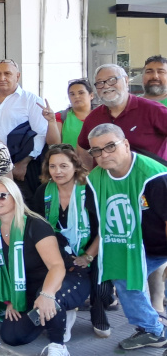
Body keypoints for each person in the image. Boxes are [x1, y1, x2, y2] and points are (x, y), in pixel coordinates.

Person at [85, 123, 167, 350]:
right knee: (125, 281)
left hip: (159, 245)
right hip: (127, 243)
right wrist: (89, 256)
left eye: (110, 146)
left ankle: (153, 329)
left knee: (137, 283)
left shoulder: (155, 175)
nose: (104, 154)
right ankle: (152, 328)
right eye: (96, 150)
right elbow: (103, 224)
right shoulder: (95, 179)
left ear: (127, 144)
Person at [0, 177, 89, 356]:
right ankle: (54, 315)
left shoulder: (35, 225)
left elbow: (57, 267)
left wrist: (47, 295)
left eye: (2, 196)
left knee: (52, 297)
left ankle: (58, 345)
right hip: (28, 289)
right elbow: (1, 273)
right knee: (12, 335)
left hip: (64, 279)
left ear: (15, 197)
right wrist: (11, 300)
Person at [31, 144, 112, 339]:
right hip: (58, 252)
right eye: (52, 166)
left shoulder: (90, 189)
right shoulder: (43, 191)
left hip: (94, 248)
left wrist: (88, 256)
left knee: (101, 288)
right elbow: (39, 228)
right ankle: (64, 308)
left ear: (75, 166)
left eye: (63, 166)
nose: (57, 171)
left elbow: (104, 229)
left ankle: (98, 311)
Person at [0, 59, 47, 201]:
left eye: (7, 73)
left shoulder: (31, 100)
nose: (2, 78)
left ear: (17, 76)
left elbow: (40, 134)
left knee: (21, 207)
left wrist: (24, 163)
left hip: (20, 167)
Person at [77, 64, 167, 165]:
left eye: (112, 80)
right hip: (108, 179)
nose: (106, 86)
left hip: (148, 177)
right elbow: (83, 147)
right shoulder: (93, 118)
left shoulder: (153, 110)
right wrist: (90, 175)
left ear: (126, 80)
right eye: (100, 83)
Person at [42, 79, 94, 151]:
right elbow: (53, 144)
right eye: (72, 94)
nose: (76, 96)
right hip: (69, 160)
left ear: (91, 95)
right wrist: (51, 121)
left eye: (81, 93)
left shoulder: (101, 115)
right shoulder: (60, 116)